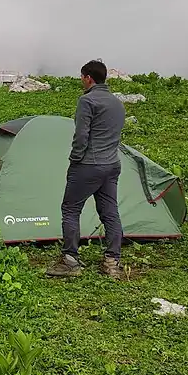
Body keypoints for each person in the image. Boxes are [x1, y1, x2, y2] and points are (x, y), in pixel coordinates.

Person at [46, 60, 126, 278]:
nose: (81, 80)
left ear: (88, 77)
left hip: (89, 165)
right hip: (112, 164)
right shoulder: (117, 103)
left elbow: (81, 136)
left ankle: (70, 261)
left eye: (82, 77)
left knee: (71, 209)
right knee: (110, 212)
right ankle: (112, 262)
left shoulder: (87, 101)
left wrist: (75, 159)